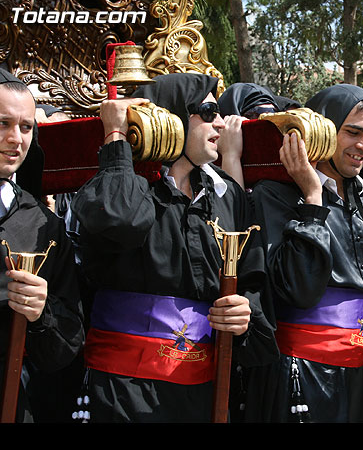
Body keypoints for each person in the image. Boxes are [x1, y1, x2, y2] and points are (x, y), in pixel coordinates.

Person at [70, 72, 278, 423]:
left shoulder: (225, 195)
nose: (221, 122)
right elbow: (120, 221)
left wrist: (244, 312)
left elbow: (251, 276)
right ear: (170, 116)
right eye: (208, 111)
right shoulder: (123, 181)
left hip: (203, 389)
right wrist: (118, 136)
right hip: (123, 390)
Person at [246, 83, 363, 423]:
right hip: (297, 375)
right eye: (352, 132)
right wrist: (312, 197)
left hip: (362, 376)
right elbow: (297, 287)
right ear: (323, 131)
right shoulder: (274, 195)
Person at [0, 68, 84, 422]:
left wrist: (40, 313)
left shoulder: (43, 226)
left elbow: (66, 345)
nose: (15, 139)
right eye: (3, 123)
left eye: (26, 127)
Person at [217, 83, 282, 189]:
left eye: (273, 115)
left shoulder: (279, 171)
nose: (262, 125)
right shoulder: (207, 174)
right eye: (254, 115)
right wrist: (230, 155)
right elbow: (232, 205)